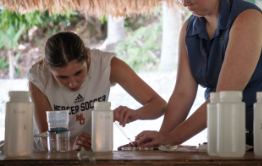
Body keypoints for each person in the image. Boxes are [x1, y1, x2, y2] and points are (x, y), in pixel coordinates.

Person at [135, 0, 262, 148]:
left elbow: (224, 97)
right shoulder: (189, 28)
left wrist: (173, 139)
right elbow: (183, 94)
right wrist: (160, 141)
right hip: (226, 134)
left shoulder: (247, 20)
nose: (184, 3)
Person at [28, 31, 167, 151]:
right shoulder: (39, 77)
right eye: (62, 77)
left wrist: (136, 113)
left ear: (88, 57)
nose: (72, 83)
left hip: (87, 153)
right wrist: (72, 145)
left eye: (78, 73)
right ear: (47, 66)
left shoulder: (107, 64)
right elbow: (46, 140)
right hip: (45, 155)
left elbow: (159, 105)